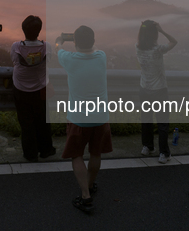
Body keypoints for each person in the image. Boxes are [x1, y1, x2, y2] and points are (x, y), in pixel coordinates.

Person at [56, 25, 112, 213]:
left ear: (76, 42)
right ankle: (90, 183)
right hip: (101, 117)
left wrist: (62, 39)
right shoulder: (101, 57)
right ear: (94, 41)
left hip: (79, 119)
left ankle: (85, 195)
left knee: (76, 155)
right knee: (96, 153)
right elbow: (92, 49)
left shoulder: (69, 59)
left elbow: (57, 46)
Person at [10, 15, 55, 162]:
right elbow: (49, 62)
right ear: (39, 30)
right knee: (43, 120)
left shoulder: (16, 46)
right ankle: (46, 150)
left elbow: (15, 62)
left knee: (26, 123)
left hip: (21, 89)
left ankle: (30, 154)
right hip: (41, 88)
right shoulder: (46, 46)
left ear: (24, 30)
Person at [136, 20, 178, 163]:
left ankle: (147, 147)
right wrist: (162, 30)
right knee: (162, 123)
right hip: (159, 90)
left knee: (146, 120)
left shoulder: (138, 47)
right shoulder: (158, 49)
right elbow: (174, 41)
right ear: (154, 34)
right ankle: (164, 154)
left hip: (144, 89)